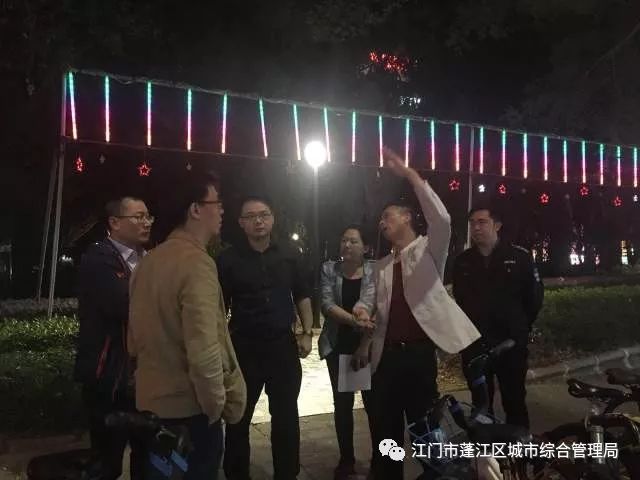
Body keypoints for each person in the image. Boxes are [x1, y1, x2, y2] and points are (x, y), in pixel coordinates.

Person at [353, 147, 481, 480]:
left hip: (419, 358)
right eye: (381, 219)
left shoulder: (428, 249)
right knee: (386, 435)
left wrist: (410, 175)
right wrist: (362, 312)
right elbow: (366, 300)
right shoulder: (381, 266)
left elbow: (442, 219)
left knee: (426, 433)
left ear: (407, 217)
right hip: (385, 361)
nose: (382, 223)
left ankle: (440, 474)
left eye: (388, 216)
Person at [128, 172, 247, 480]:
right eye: (217, 203)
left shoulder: (147, 263)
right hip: (189, 416)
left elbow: (133, 341)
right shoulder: (197, 263)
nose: (222, 210)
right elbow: (204, 351)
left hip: (151, 411)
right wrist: (215, 408)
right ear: (195, 209)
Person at [217, 195, 313, 480]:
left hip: (282, 347)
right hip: (244, 347)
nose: (258, 221)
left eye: (264, 215)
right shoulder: (228, 260)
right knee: (239, 417)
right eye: (251, 216)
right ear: (241, 223)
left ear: (272, 219)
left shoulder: (290, 254)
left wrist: (307, 333)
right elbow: (219, 306)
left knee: (286, 416)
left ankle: (287, 474)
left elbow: (302, 294)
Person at [74, 196, 152, 480]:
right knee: (107, 463)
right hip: (109, 378)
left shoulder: (149, 258)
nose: (146, 223)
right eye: (138, 217)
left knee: (147, 459)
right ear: (115, 223)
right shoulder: (98, 259)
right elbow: (125, 304)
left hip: (144, 380)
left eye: (148, 216)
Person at [454, 205, 544, 429]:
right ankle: (488, 450)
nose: (476, 228)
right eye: (472, 223)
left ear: (497, 225)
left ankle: (519, 448)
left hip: (510, 345)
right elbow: (460, 301)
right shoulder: (463, 261)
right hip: (475, 345)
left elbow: (533, 299)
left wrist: (518, 331)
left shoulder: (519, 258)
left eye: (482, 222)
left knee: (515, 402)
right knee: (481, 407)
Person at [318, 225, 376, 480]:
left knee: (374, 405)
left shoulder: (375, 270)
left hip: (368, 345)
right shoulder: (330, 269)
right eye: (344, 240)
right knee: (343, 405)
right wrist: (355, 322)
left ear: (366, 247)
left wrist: (364, 342)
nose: (347, 245)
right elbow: (327, 304)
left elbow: (375, 305)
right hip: (339, 344)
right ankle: (346, 460)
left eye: (353, 241)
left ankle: (380, 459)